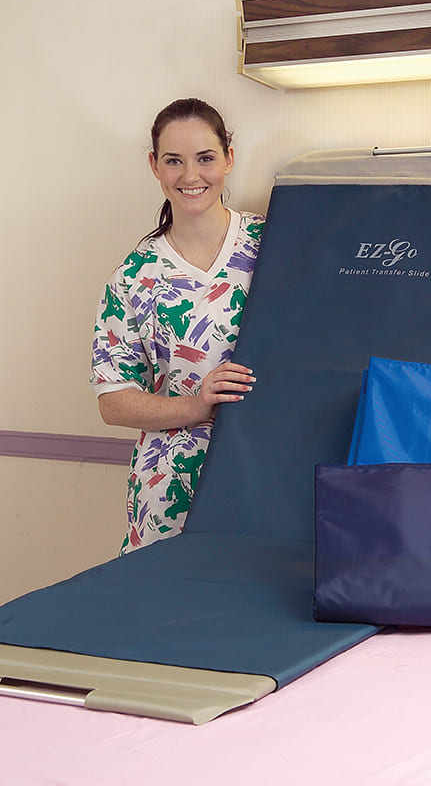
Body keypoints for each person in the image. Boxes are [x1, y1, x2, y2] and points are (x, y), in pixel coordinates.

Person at [90, 98, 264, 554]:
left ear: (228, 158)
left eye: (205, 158)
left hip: (266, 474)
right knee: (160, 596)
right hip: (167, 489)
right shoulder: (134, 277)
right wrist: (197, 405)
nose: (190, 176)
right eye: (173, 161)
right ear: (155, 166)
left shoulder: (271, 246)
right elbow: (114, 401)